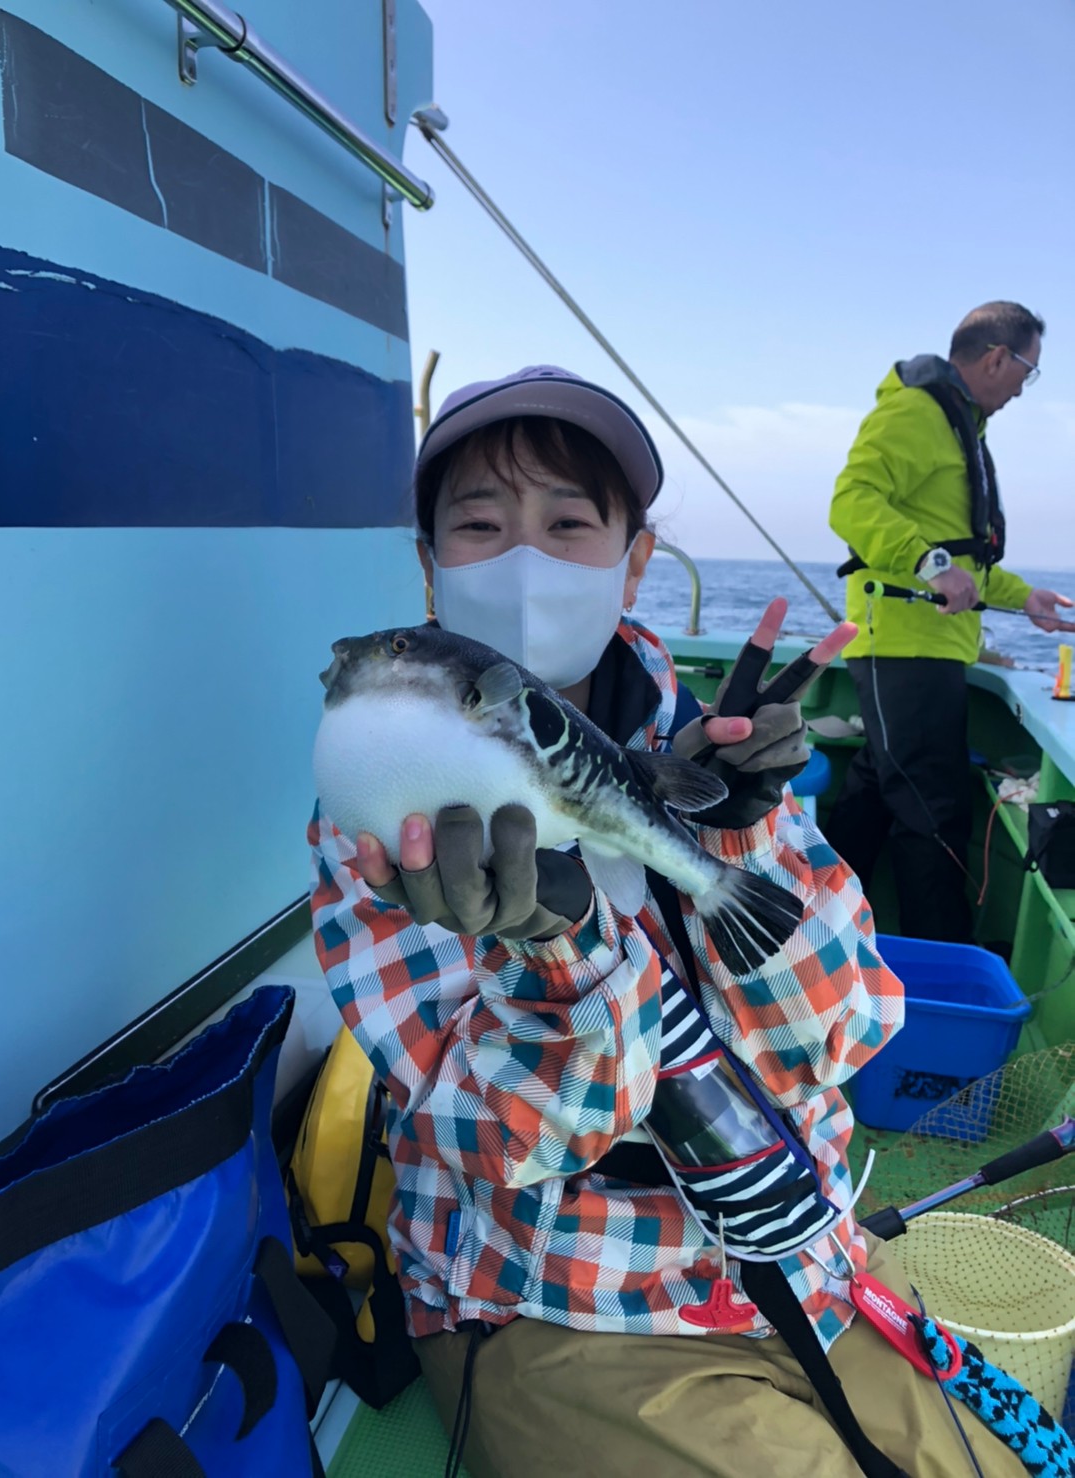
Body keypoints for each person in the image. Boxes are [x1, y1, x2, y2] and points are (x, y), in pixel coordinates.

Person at [309, 366, 1031, 1476]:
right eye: (479, 524)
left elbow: (844, 1035)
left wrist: (743, 834)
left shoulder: (707, 747)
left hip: (806, 1251)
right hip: (553, 1299)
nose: (524, 559)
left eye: (568, 522)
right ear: (429, 562)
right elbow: (506, 1146)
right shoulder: (382, 814)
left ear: (634, 558)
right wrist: (560, 949)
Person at [828, 303, 1075, 942]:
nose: (1024, 388)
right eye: (1028, 370)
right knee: (932, 811)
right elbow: (851, 501)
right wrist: (930, 563)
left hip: (935, 647)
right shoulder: (916, 412)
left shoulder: (962, 425)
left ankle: (813, 917)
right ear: (997, 356)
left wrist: (1026, 601)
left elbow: (967, 562)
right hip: (902, 647)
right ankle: (942, 958)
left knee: (881, 792)